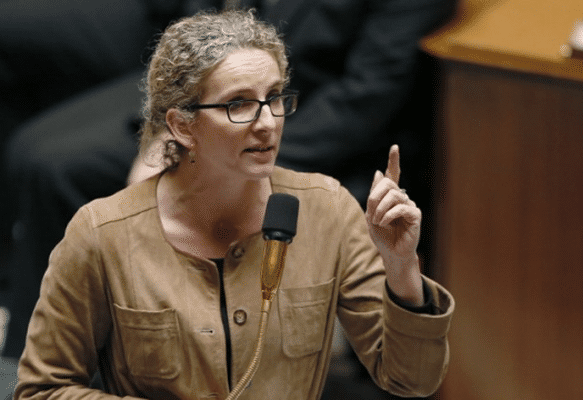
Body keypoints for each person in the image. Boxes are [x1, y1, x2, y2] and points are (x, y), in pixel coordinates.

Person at [14, 10, 454, 399]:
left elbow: (410, 380)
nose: (267, 123)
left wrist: (401, 270)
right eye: (238, 104)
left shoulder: (328, 211)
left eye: (276, 97)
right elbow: (41, 390)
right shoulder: (101, 232)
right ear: (182, 126)